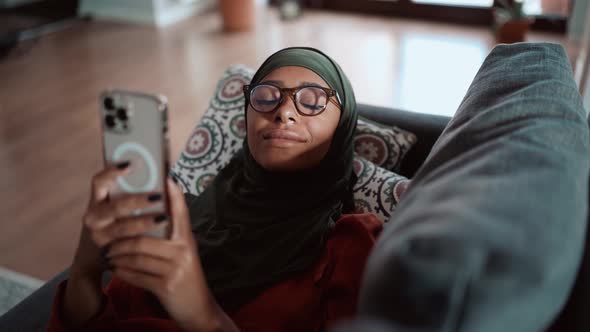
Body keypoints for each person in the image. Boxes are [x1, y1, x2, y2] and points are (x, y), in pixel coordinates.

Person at [46, 47, 383, 332]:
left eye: (312, 101)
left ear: (343, 126)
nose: (283, 113)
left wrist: (203, 314)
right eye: (266, 96)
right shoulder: (181, 215)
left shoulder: (349, 245)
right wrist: (86, 266)